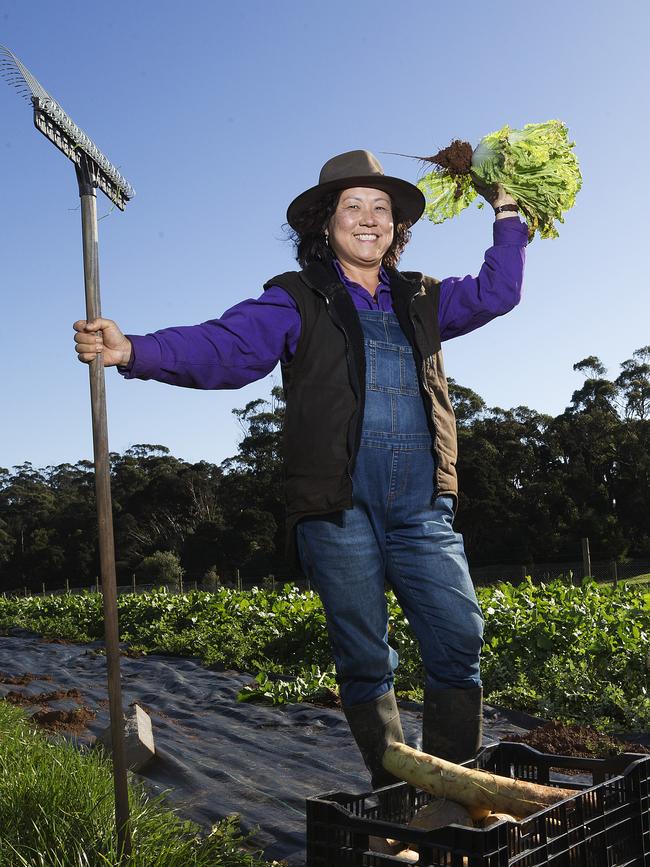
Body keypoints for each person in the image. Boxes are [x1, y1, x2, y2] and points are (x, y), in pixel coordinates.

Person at [74, 150, 527, 790]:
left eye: (383, 210)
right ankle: (397, 792)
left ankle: (451, 791)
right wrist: (135, 350)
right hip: (336, 508)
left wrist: (506, 209)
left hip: (423, 506)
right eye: (353, 207)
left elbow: (497, 291)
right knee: (365, 656)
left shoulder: (423, 299)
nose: (370, 220)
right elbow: (227, 347)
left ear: (398, 228)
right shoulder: (295, 298)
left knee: (459, 639)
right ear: (323, 223)